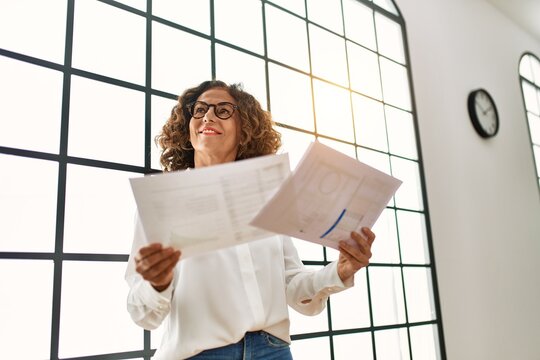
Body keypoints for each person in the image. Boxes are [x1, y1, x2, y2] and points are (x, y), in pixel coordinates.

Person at [125, 80, 376, 360]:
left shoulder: (270, 198)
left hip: (273, 352)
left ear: (245, 129)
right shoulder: (164, 200)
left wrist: (339, 272)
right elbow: (141, 313)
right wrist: (156, 284)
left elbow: (294, 288)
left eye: (223, 110)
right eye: (199, 110)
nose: (208, 116)